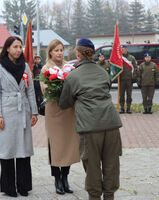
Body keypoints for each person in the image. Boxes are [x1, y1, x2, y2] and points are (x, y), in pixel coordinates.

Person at [59, 38, 123, 200]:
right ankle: (109, 196)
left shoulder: (73, 76)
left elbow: (64, 103)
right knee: (111, 164)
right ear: (93, 54)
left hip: (89, 126)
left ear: (78, 54)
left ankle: (94, 197)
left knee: (92, 166)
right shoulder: (103, 72)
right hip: (111, 123)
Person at [0, 36, 38, 197]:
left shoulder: (25, 67)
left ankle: (24, 186)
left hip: (23, 110)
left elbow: (30, 90)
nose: (19, 50)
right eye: (15, 47)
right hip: (7, 111)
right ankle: (9, 187)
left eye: (20, 47)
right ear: (8, 48)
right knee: (8, 149)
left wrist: (34, 111)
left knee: (24, 149)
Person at [40, 39, 80, 195]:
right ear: (50, 52)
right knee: (56, 146)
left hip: (69, 112)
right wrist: (58, 90)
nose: (59, 53)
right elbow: (46, 89)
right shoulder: (46, 68)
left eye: (61, 50)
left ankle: (65, 178)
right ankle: (57, 179)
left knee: (69, 145)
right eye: (56, 50)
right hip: (54, 112)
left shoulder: (69, 67)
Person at [119, 45, 138, 114]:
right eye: (121, 49)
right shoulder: (119, 58)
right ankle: (122, 108)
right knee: (121, 95)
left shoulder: (131, 58)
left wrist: (134, 78)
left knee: (129, 95)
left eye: (123, 49)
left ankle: (128, 108)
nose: (122, 50)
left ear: (126, 49)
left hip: (129, 80)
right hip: (121, 80)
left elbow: (135, 68)